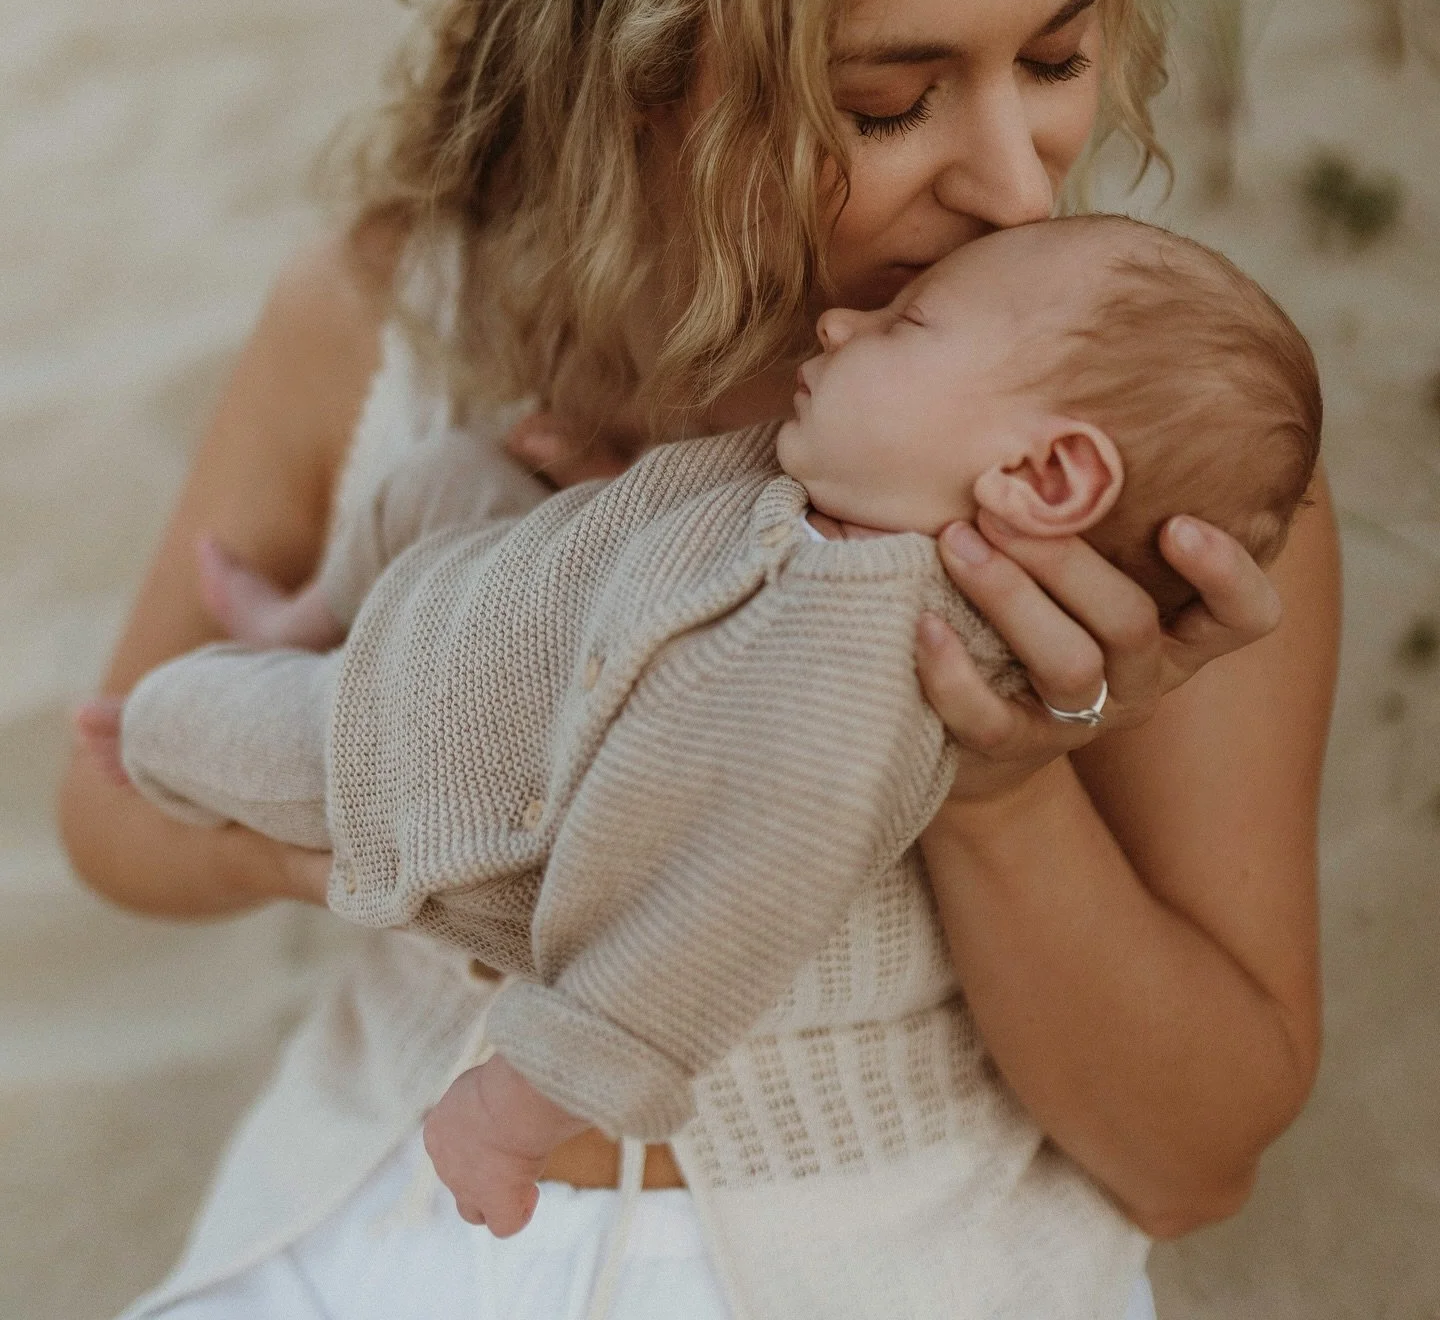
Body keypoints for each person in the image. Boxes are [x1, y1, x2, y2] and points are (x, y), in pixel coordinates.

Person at [58, 0, 1340, 1320]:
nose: (1013, 181)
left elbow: (1196, 1160)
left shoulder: (1123, 448)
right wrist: (405, 775)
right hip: (377, 1222)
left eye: (1057, 59)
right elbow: (108, 806)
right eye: (890, 97)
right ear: (639, 53)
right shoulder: (399, 320)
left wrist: (995, 792)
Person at [94, 214, 1324, 1250]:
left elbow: (725, 900)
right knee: (442, 481)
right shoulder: (836, 467)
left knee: (174, 714)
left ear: (1045, 480)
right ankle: (307, 611)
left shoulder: (865, 664)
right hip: (490, 609)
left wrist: (531, 1096)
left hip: (415, 764)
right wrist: (603, 507)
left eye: (906, 329)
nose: (846, 327)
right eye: (891, 92)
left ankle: (261, 668)